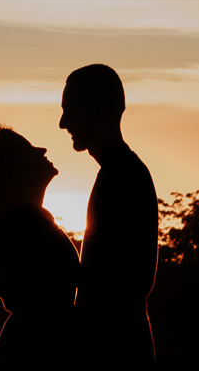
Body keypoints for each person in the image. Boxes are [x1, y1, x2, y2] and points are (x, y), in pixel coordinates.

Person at [59, 64, 158, 369]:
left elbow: (118, 286)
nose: (63, 123)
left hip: (115, 354)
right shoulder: (121, 173)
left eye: (70, 110)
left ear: (96, 109)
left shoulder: (122, 177)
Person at [0, 126, 80, 371]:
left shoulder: (27, 221)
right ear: (19, 171)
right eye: (30, 151)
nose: (42, 150)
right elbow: (33, 302)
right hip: (33, 355)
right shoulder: (22, 225)